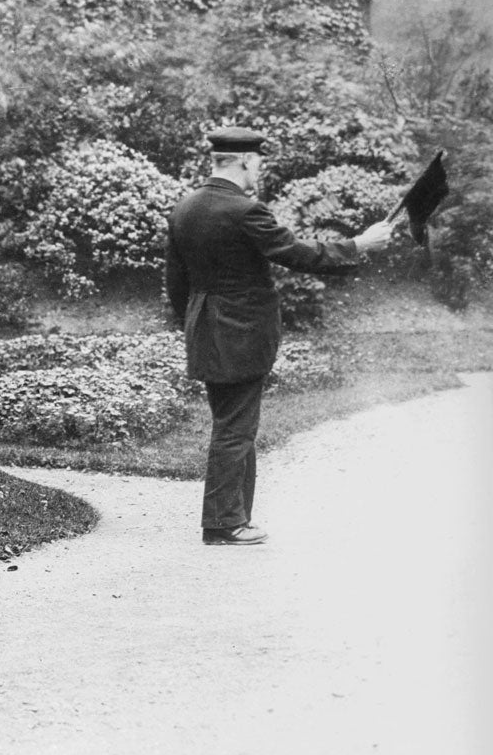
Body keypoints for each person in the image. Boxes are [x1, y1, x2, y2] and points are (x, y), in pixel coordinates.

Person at [164, 125, 396, 545]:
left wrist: (198, 322)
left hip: (207, 331)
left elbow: (175, 285)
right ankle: (221, 524)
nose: (260, 171)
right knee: (236, 429)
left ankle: (236, 517)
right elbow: (298, 254)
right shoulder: (245, 210)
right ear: (247, 161)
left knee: (234, 424)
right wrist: (360, 243)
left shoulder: (185, 208)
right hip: (243, 334)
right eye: (259, 163)